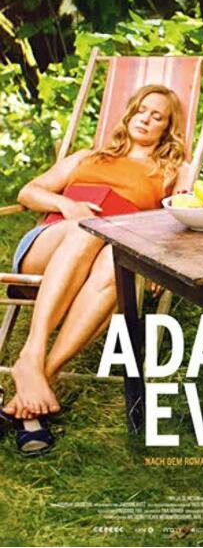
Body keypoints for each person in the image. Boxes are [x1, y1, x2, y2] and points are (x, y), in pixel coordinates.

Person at [1, 84, 188, 439]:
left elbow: (181, 216)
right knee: (90, 229)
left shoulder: (170, 170)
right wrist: (66, 205)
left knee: (115, 266)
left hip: (107, 253)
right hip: (48, 245)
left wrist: (163, 257)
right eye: (141, 110)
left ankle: (39, 381)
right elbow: (29, 191)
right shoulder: (87, 157)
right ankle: (32, 352)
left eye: (157, 117)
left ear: (167, 128)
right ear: (130, 113)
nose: (146, 119)